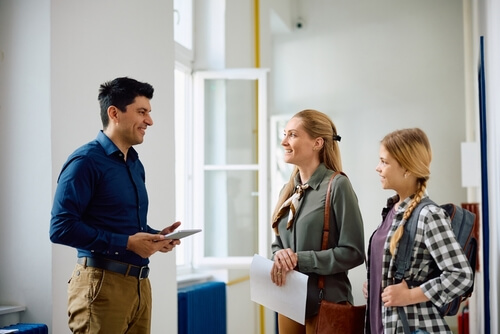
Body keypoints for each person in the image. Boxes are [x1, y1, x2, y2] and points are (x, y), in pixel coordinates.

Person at [50, 77, 181, 334]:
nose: (149, 121)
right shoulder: (85, 161)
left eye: (149, 113)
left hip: (139, 286)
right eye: (141, 112)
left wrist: (155, 237)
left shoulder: (134, 163)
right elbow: (60, 228)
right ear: (114, 113)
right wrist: (127, 243)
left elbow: (125, 225)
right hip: (100, 286)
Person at [363, 128, 474, 333]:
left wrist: (409, 296)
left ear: (406, 169)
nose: (377, 168)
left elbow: (461, 275)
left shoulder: (428, 215)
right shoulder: (392, 211)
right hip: (382, 325)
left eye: (384, 162)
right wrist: (376, 283)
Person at [270, 109, 365, 334]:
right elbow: (278, 243)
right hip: (288, 300)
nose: (284, 141)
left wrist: (299, 260)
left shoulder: (338, 186)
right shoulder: (287, 190)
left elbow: (354, 252)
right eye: (284, 134)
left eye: (292, 135)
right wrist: (278, 254)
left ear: (317, 143)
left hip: (326, 303)